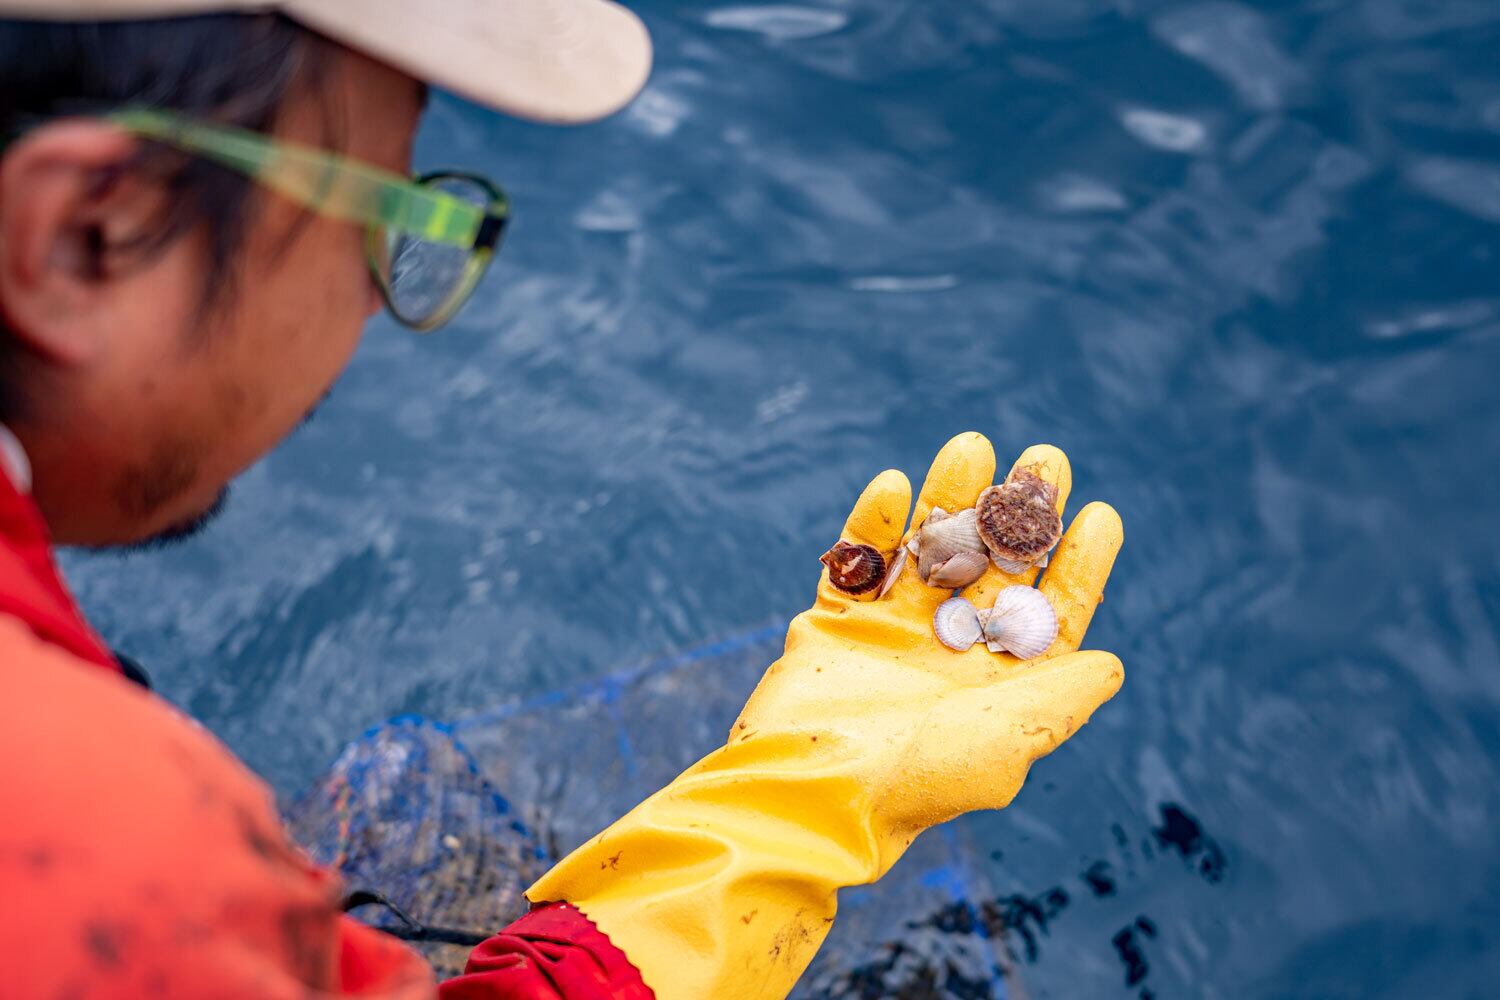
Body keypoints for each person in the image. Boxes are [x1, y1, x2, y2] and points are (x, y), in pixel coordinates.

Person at [0, 3, 1126, 998]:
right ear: (83, 235)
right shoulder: (108, 853)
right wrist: (807, 804)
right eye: (380, 223)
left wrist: (783, 807)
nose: (376, 304)